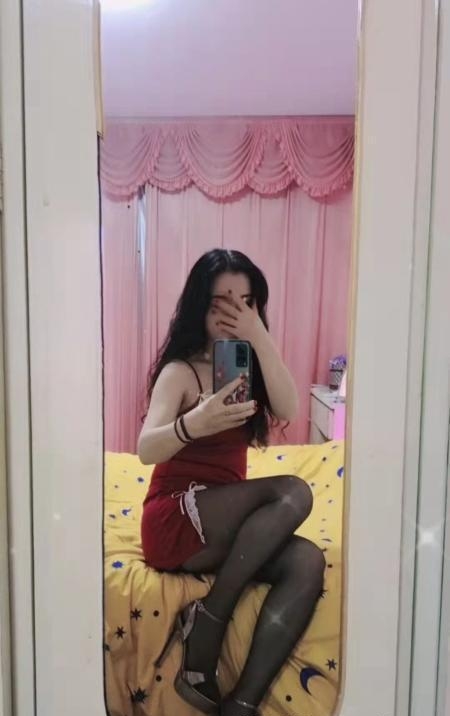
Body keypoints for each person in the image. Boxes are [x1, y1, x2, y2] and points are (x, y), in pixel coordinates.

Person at [139, 249, 325, 716]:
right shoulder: (181, 371)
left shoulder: (248, 368)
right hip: (176, 518)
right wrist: (193, 423)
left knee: (307, 560)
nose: (234, 313)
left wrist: (259, 337)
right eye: (221, 302)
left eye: (246, 303)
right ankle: (211, 617)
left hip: (222, 526)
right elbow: (146, 449)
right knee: (293, 493)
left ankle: (242, 703)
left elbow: (289, 409)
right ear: (199, 306)